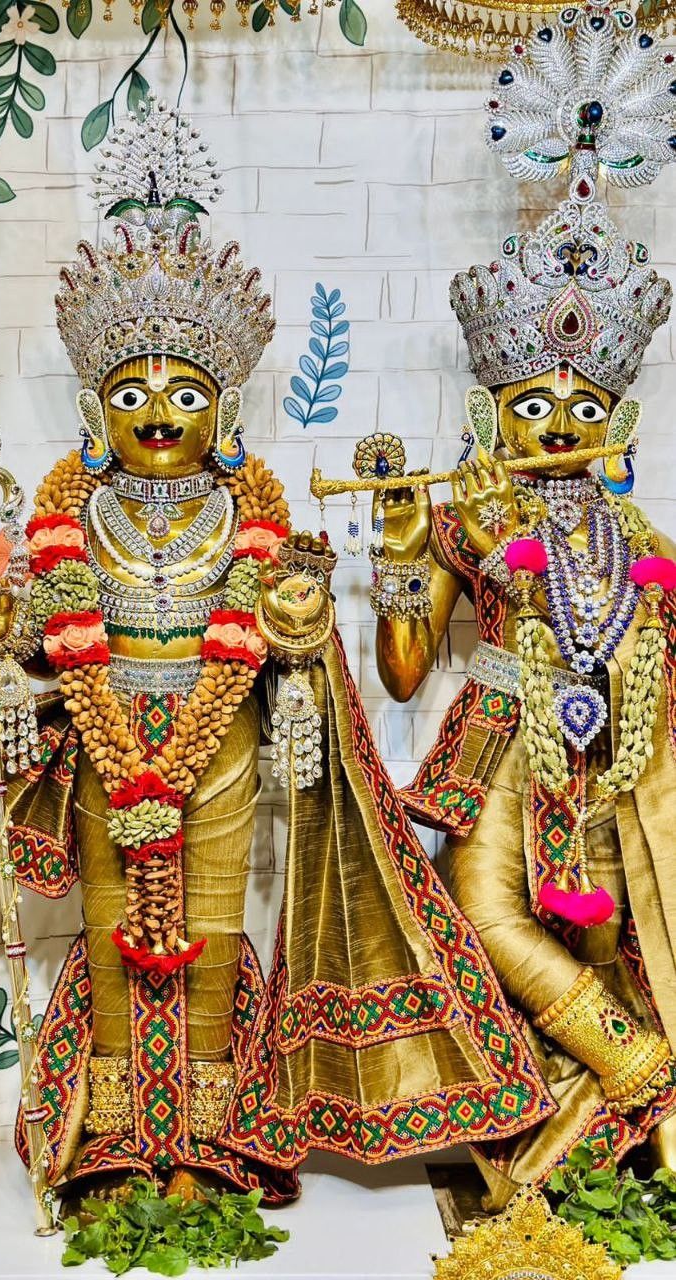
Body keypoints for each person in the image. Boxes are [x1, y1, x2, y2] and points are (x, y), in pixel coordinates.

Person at [0, 95, 550, 1212]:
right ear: (98, 405)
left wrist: (297, 622)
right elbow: (51, 645)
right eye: (134, 391)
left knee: (202, 933)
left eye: (188, 392)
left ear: (227, 404)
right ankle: (112, 1142)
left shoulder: (254, 517)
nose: (160, 411)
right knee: (114, 941)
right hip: (110, 757)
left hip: (223, 749)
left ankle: (202, 1141)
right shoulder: (72, 516)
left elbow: (296, 642)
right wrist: (1, 626)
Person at [372, 6, 676, 1207]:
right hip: (504, 749)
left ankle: (589, 1135)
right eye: (531, 407)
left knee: (613, 935)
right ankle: (634, 1066)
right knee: (475, 909)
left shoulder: (647, 544)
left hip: (620, 764)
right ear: (496, 412)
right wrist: (404, 553)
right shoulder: (468, 520)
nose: (556, 427)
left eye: (581, 409)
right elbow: (402, 671)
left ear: (619, 420)